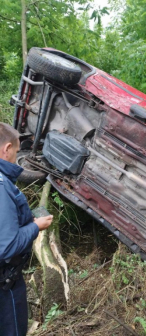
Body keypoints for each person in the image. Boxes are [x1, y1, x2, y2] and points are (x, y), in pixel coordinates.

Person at [0, 122, 53, 336]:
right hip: (5, 284)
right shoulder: (2, 187)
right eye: (17, 150)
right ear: (7, 149)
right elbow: (7, 245)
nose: (17, 157)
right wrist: (35, 226)